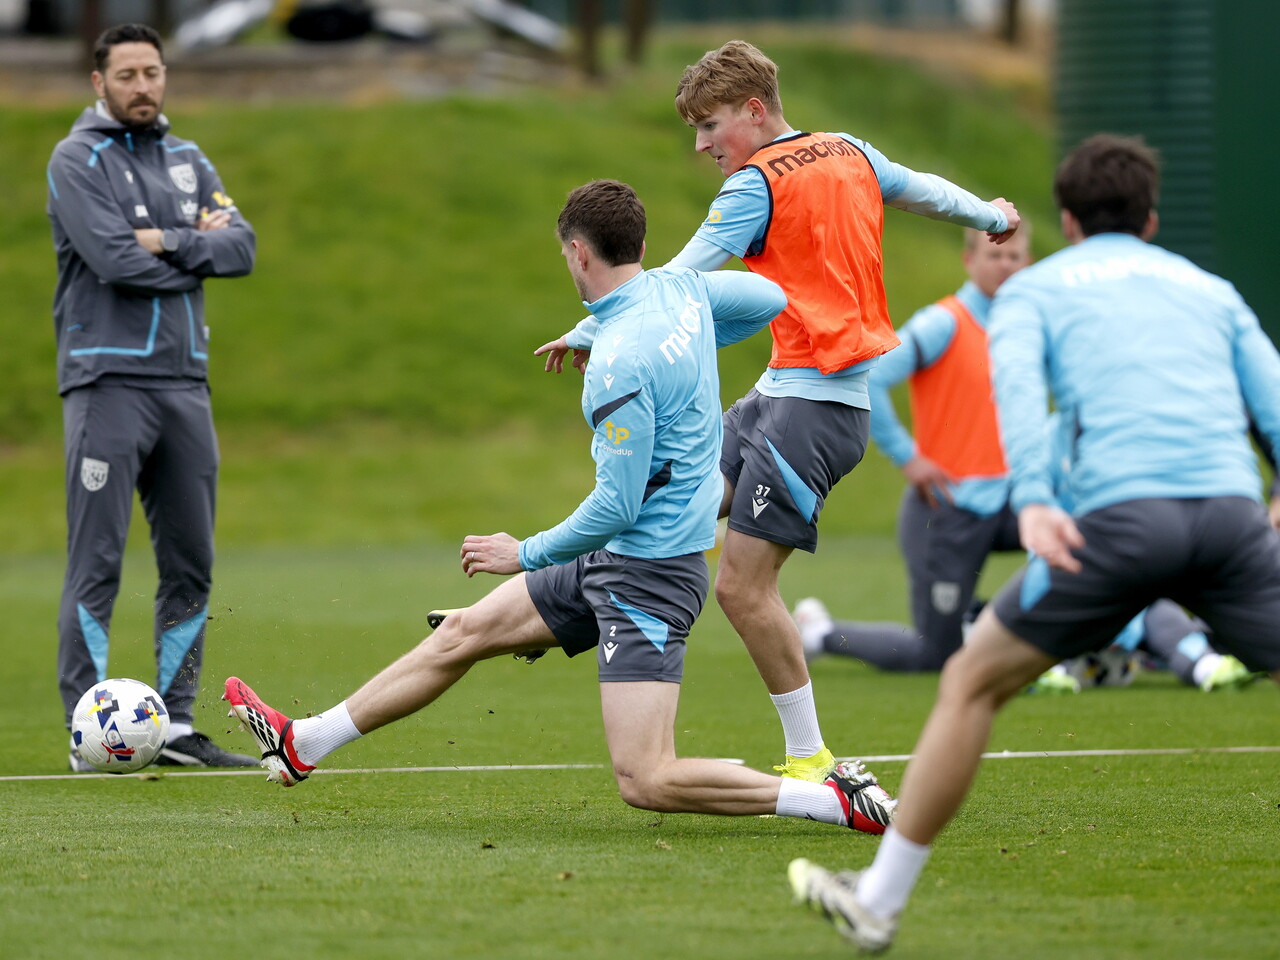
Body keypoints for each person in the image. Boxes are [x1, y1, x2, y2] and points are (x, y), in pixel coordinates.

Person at [224, 180, 897, 835]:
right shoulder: (681, 292)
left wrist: (523, 553)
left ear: (578, 253)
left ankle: (832, 801)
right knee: (463, 634)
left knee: (646, 778)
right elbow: (768, 296)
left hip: (650, 579)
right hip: (620, 559)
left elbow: (617, 503)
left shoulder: (620, 362)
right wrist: (684, 342)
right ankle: (302, 743)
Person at [788, 134, 1280, 952]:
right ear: (1152, 218)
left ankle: (878, 900)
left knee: (971, 681)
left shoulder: (1035, 290)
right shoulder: (1211, 289)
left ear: (1066, 220)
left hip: (1118, 526)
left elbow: (1019, 395)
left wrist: (1041, 502)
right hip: (1232, 518)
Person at [538, 40, 1021, 783]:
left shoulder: (752, 186)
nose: (702, 145)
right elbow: (925, 190)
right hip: (779, 394)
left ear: (754, 112)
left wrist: (586, 325)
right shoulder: (849, 151)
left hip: (818, 412)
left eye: (710, 127)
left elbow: (675, 280)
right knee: (669, 505)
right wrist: (988, 213)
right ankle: (556, 610)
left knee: (740, 586)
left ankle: (811, 757)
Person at [48, 23, 258, 770]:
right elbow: (109, 259)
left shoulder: (187, 158)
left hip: (185, 385)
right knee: (97, 562)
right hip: (106, 381)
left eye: (153, 72)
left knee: (192, 562)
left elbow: (242, 248)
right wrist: (188, 246)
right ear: (98, 83)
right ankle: (88, 734)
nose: (143, 86)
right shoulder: (77, 158)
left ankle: (173, 730)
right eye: (127, 74)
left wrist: (162, 240)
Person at [791, 226, 1032, 672]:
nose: (1005, 265)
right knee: (933, 654)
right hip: (946, 510)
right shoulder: (944, 322)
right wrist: (908, 456)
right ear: (969, 261)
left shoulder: (1026, 329)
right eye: (995, 255)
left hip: (1009, 502)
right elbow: (874, 377)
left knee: (1083, 547)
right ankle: (820, 633)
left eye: (1015, 256)